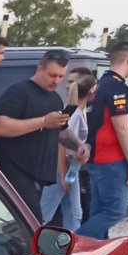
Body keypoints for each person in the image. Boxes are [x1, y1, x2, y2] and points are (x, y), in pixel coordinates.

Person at [0, 50, 72, 211]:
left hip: (40, 173)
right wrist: (43, 121)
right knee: (30, 222)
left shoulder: (55, 98)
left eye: (61, 76)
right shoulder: (18, 92)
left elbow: (61, 132)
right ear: (40, 68)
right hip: (14, 170)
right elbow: (1, 126)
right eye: (52, 75)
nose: (56, 81)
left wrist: (78, 147)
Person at [79, 41, 128, 240]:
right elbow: (122, 127)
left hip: (95, 157)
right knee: (115, 211)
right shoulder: (118, 88)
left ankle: (93, 254)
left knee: (99, 211)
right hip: (111, 159)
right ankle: (69, 245)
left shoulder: (97, 87)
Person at [40, 75, 95, 232]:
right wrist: (64, 174)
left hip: (71, 166)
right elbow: (60, 143)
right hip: (62, 166)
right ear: (93, 89)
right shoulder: (75, 113)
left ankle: (72, 244)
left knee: (74, 212)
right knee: (47, 212)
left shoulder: (79, 111)